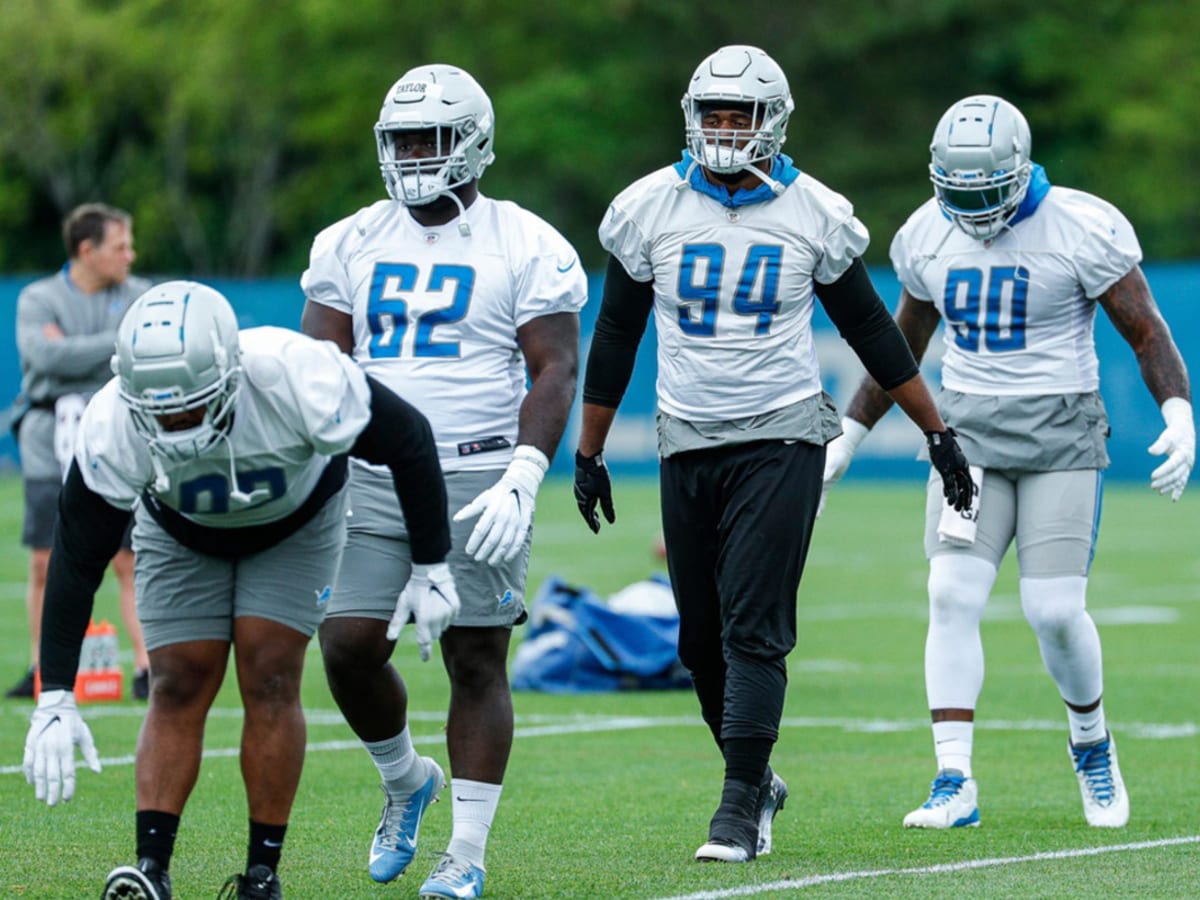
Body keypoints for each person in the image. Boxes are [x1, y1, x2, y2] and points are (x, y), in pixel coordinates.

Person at [571, 44, 974, 864]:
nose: (724, 130)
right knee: (698, 642)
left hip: (782, 434)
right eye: (713, 114)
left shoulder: (813, 211)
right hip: (686, 435)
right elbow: (616, 333)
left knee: (754, 630)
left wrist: (936, 432)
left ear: (773, 122)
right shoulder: (649, 207)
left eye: (740, 115)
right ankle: (758, 779)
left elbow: (872, 331)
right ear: (691, 116)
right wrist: (588, 449)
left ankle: (734, 813)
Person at [821, 94, 1194, 830]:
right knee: (951, 594)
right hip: (969, 437)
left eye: (988, 190)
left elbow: (1146, 333)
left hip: (1060, 431)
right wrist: (850, 433)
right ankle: (953, 778)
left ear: (1022, 173)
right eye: (960, 192)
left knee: (1053, 611)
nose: (974, 207)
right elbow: (904, 344)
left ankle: (1091, 742)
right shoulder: (928, 233)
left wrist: (1179, 413)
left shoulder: (1082, 226)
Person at [21, 281, 457, 900]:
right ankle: (151, 869)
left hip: (297, 522)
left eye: (190, 407)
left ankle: (261, 875)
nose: (175, 424)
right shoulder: (111, 421)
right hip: (180, 529)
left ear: (230, 374)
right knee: (177, 678)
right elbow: (77, 558)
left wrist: (431, 565)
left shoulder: (294, 374)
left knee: (270, 672)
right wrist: (56, 695)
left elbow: (409, 438)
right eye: (160, 412)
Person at [300, 63, 584, 899]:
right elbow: (320, 367)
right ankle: (403, 780)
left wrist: (525, 476)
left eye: (430, 138)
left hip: (481, 476)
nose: (414, 155)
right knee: (348, 646)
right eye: (401, 140)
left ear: (474, 142)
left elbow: (555, 368)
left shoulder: (526, 241)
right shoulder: (349, 240)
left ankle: (465, 852)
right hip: (374, 476)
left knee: (474, 659)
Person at [10, 203, 151, 700]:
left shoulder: (140, 295)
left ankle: (147, 666)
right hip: (49, 438)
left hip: (119, 435)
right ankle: (41, 666)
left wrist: (76, 348)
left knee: (130, 557)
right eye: (120, 247)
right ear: (87, 251)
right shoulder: (38, 298)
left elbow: (141, 348)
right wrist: (115, 342)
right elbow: (44, 356)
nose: (130, 256)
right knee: (44, 560)